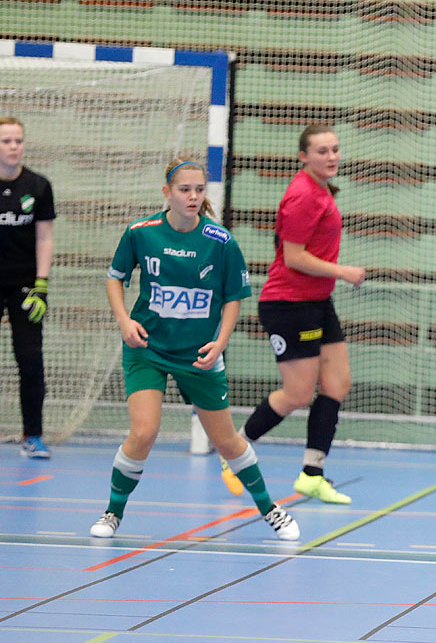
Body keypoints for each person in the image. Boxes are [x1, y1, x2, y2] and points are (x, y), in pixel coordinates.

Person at [90, 156, 299, 541]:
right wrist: (124, 321)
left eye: (199, 190)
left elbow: (234, 295)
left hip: (199, 354)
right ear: (167, 193)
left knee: (226, 441)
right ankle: (112, 513)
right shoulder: (141, 232)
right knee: (144, 432)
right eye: (184, 190)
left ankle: (270, 508)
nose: (193, 196)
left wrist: (221, 341)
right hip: (147, 347)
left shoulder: (221, 241)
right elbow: (115, 279)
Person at [226, 123, 364, 504]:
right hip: (290, 305)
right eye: (322, 151)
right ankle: (235, 450)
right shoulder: (303, 195)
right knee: (299, 393)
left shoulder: (321, 190)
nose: (331, 156)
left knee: (337, 385)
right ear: (303, 156)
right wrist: (344, 271)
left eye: (335, 149)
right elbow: (294, 257)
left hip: (318, 301)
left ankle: (312, 473)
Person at [0, 117, 55, 459]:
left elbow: (45, 236)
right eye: (6, 141)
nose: (13, 147)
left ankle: (32, 435)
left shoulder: (38, 185)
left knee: (31, 362)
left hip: (24, 285)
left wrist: (41, 285)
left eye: (18, 140)